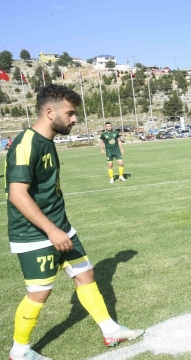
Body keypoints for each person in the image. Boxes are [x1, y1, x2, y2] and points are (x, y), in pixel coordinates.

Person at [4, 84, 144, 360]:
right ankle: (19, 351)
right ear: (49, 112)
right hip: (36, 235)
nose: (74, 119)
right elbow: (17, 194)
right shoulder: (26, 144)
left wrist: (60, 228)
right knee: (39, 293)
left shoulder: (46, 142)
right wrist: (52, 230)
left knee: (85, 275)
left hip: (60, 227)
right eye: (70, 113)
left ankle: (110, 329)